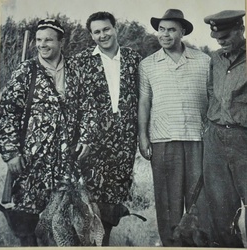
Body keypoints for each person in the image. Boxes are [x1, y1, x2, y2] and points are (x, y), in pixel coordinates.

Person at [0, 19, 97, 246]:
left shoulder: (76, 70)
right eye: (39, 40)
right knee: (26, 222)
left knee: (68, 220)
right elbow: (6, 113)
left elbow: (90, 109)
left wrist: (86, 139)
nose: (42, 45)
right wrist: (11, 153)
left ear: (61, 42)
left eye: (48, 40)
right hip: (31, 161)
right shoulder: (26, 70)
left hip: (67, 159)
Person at [138, 9, 211, 246]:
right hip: (163, 140)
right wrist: (143, 136)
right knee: (167, 202)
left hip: (197, 139)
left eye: (171, 29)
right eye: (161, 29)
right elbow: (144, 102)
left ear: (182, 32)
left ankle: (197, 243)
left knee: (198, 200)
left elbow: (212, 99)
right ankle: (171, 244)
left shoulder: (204, 61)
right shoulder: (148, 64)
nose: (165, 34)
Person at [74, 11, 142, 246]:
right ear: (91, 36)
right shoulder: (80, 61)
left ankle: (105, 241)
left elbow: (142, 99)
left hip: (124, 142)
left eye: (106, 29)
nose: (102, 35)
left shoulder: (134, 59)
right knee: (90, 200)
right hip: (93, 142)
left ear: (115, 28)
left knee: (114, 201)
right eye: (97, 32)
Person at [203, 10, 246, 247]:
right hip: (215, 138)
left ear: (241, 29)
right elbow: (211, 92)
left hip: (243, 138)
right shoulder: (215, 59)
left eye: (226, 36)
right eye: (217, 38)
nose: (221, 42)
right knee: (219, 207)